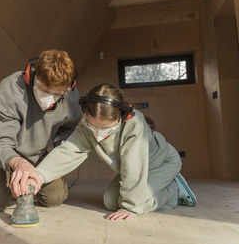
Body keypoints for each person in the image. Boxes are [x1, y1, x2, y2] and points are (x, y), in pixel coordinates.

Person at [11, 83, 197, 220]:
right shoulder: (86, 126)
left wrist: (131, 208)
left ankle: (174, 190)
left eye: (106, 129)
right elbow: (68, 151)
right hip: (136, 169)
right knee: (110, 202)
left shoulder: (135, 125)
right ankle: (145, 196)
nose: (99, 134)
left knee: (137, 203)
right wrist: (38, 175)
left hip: (161, 164)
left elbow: (134, 165)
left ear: (121, 118)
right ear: (86, 116)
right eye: (94, 127)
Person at [0, 50, 81, 212]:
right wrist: (18, 163)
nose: (49, 98)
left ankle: (22, 181)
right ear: (31, 76)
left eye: (57, 93)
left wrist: (60, 152)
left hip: (36, 152)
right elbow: (1, 144)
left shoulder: (71, 97)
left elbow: (67, 129)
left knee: (55, 198)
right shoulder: (10, 89)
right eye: (44, 90)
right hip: (1, 150)